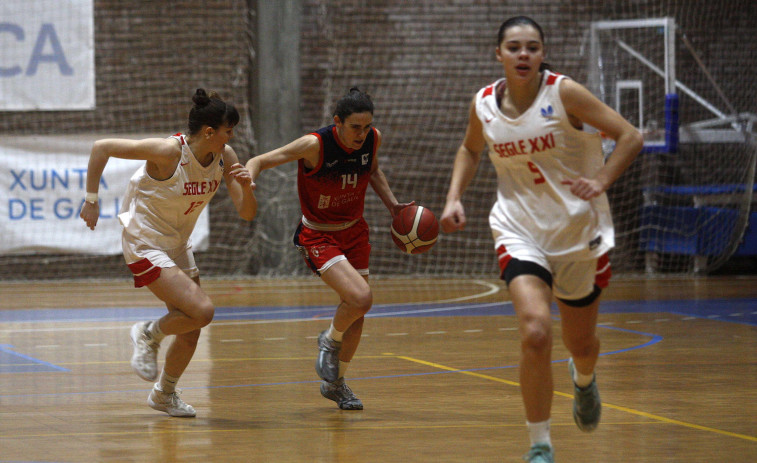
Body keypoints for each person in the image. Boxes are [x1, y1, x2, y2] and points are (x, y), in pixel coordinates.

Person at [440, 16, 643, 463]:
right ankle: (540, 445)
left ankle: (584, 378)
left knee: (582, 345)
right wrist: (454, 198)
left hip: (576, 231)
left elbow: (631, 136)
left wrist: (602, 180)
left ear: (542, 53)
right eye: (514, 47)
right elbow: (471, 148)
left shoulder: (564, 93)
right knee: (535, 332)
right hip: (518, 230)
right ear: (499, 54)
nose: (524, 54)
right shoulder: (484, 104)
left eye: (532, 47)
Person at [80, 89, 257, 417]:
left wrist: (246, 187)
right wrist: (91, 199)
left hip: (177, 244)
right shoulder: (167, 152)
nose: (231, 137)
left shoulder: (226, 156)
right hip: (143, 241)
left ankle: (164, 393)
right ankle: (148, 333)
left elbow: (246, 213)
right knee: (203, 310)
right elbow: (101, 147)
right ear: (209, 132)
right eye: (227, 131)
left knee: (191, 328)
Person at [245, 87, 412, 410]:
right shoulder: (315, 145)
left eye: (366, 127)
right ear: (337, 122)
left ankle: (336, 384)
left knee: (358, 312)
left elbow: (373, 170)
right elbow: (259, 160)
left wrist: (392, 206)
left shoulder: (373, 139)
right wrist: (248, 178)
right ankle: (329, 340)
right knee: (361, 298)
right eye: (355, 127)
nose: (362, 134)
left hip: (355, 232)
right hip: (319, 235)